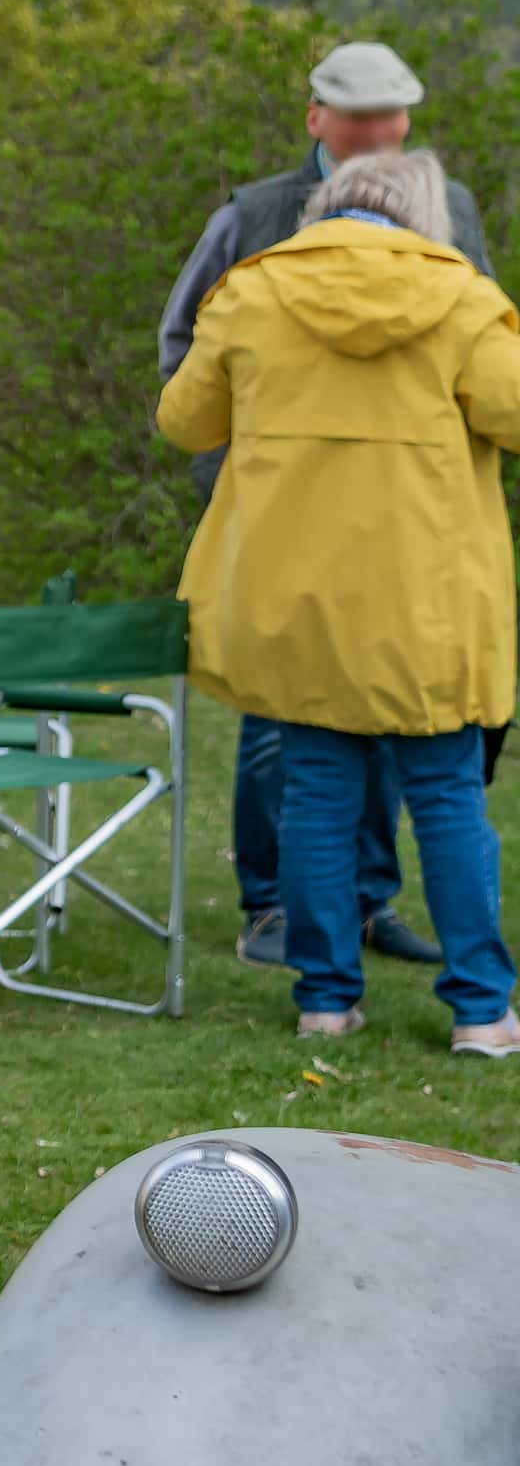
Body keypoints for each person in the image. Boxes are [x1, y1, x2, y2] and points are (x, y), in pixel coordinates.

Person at [157, 146, 520, 1053]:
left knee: (315, 792)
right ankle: (480, 1010)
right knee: (445, 797)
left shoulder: (251, 294)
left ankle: (324, 999)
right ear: (422, 213)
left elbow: (183, 420)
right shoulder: (461, 299)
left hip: (298, 595)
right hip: (428, 596)